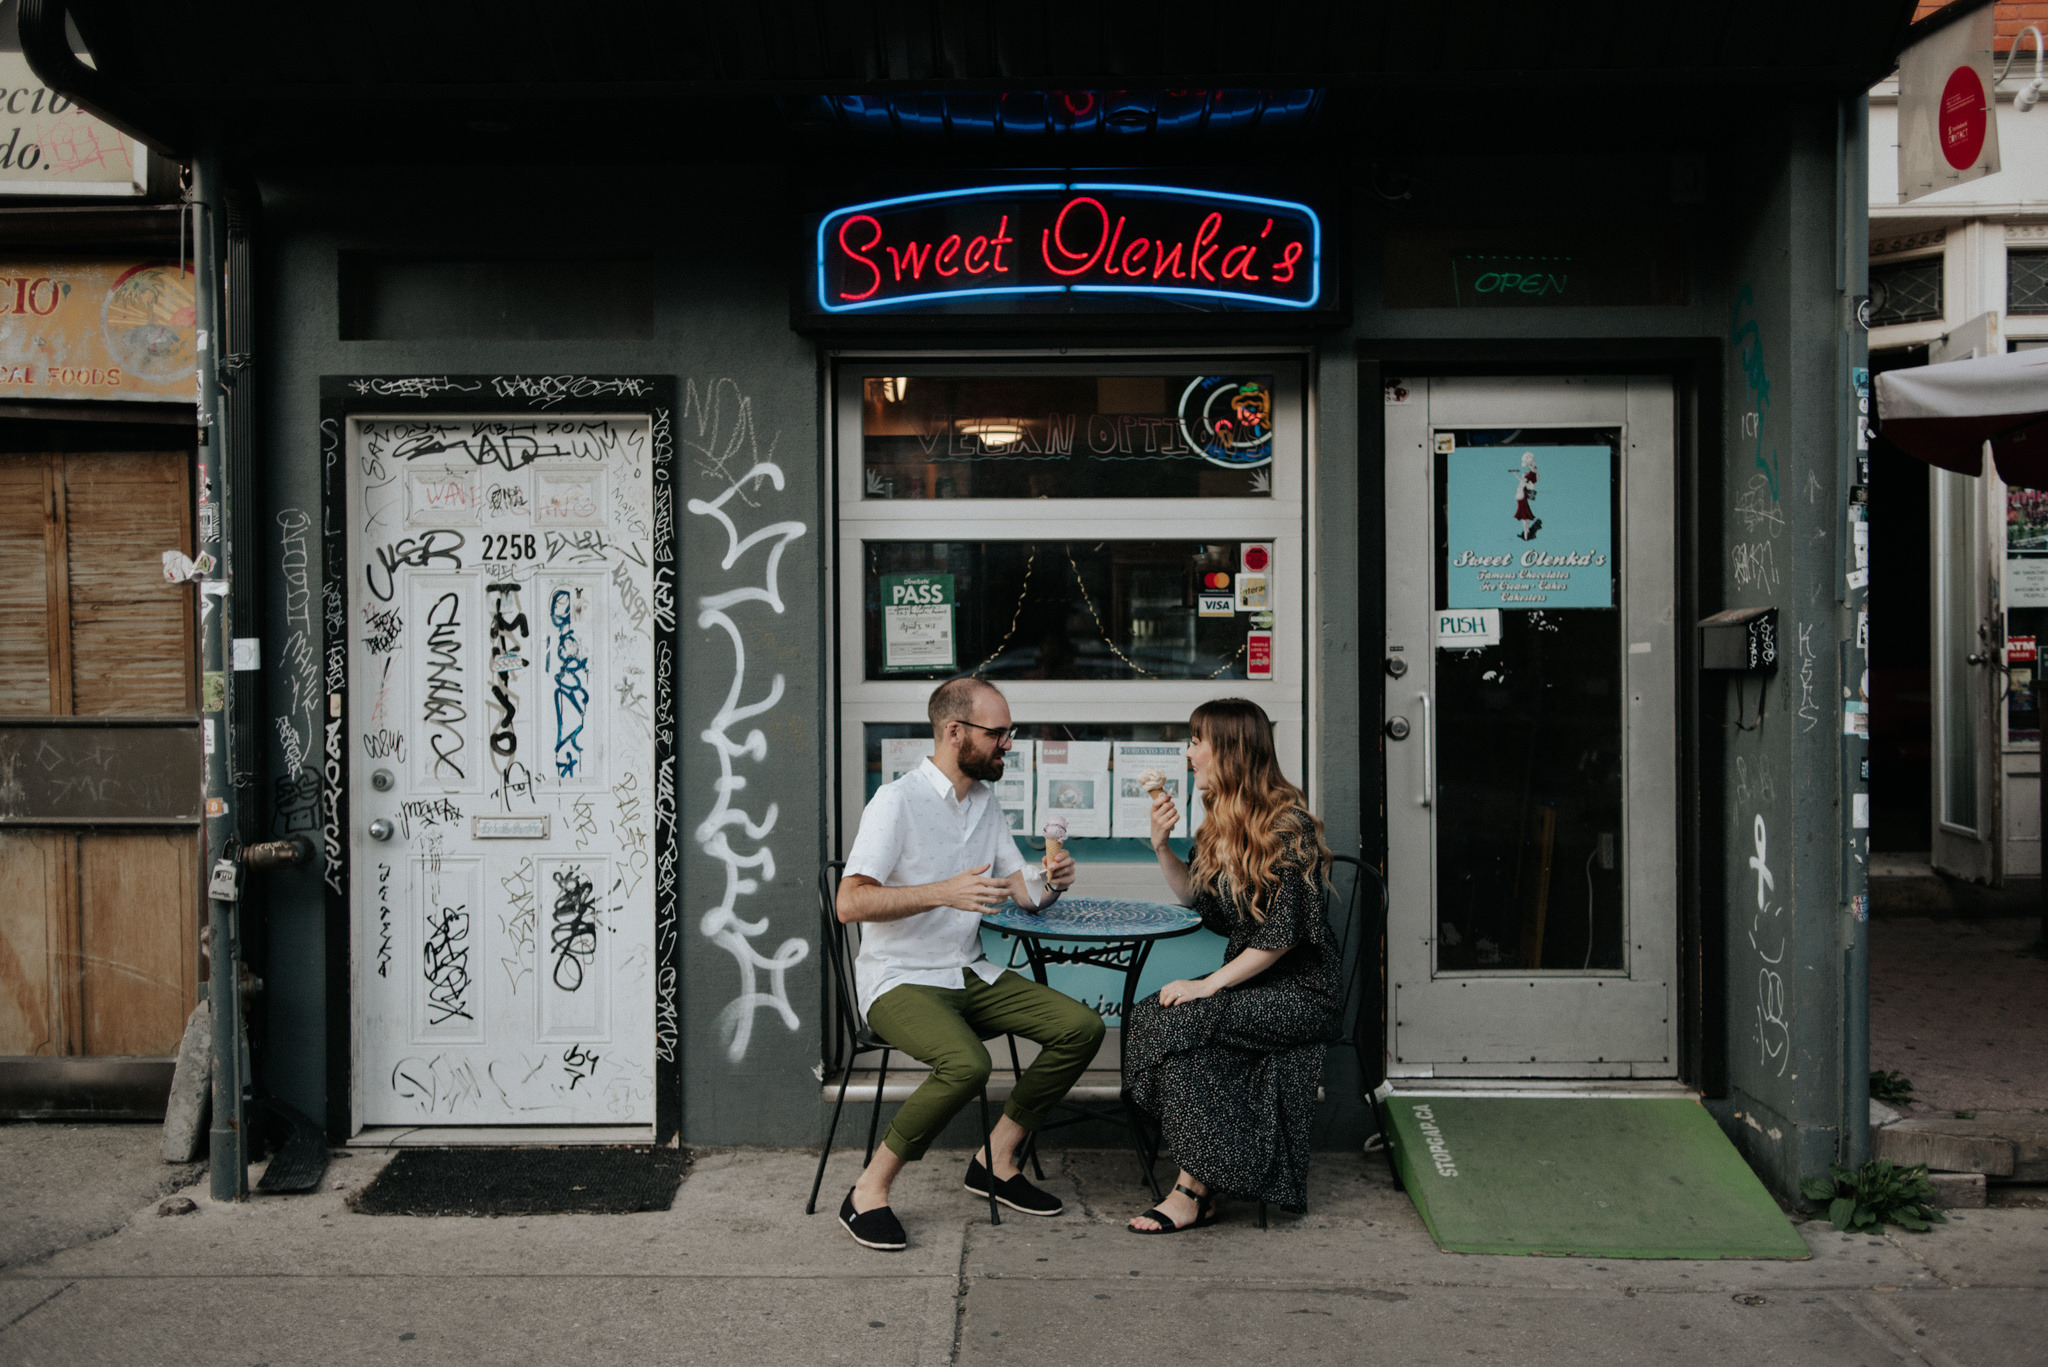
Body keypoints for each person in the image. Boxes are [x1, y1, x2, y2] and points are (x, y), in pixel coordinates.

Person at [834, 677, 1105, 1252]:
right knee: (968, 1065)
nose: (1008, 743)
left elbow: (1018, 890)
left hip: (969, 971)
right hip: (900, 978)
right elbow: (849, 902)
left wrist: (1049, 881)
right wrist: (942, 892)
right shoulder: (896, 801)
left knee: (1080, 1029)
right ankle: (867, 1192)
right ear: (955, 733)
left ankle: (996, 1160)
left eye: (1010, 732)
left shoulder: (983, 803)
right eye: (998, 733)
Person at [1122, 697, 1340, 1233]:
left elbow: (1284, 934)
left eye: (1198, 740)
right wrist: (1161, 848)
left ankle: (1193, 1189)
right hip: (1248, 988)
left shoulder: (1291, 826)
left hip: (1302, 992)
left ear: (1231, 748)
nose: (1189, 751)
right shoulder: (1219, 822)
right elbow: (1203, 903)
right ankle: (1213, 1176)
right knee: (1156, 1019)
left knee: (1180, 1018)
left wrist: (1209, 985)